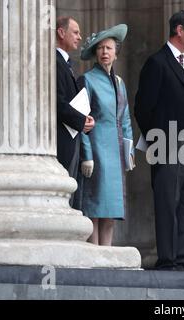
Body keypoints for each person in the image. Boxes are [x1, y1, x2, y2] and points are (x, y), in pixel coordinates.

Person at [134, 10, 184, 271]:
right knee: (168, 204)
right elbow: (143, 108)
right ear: (180, 30)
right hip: (167, 145)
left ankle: (181, 260)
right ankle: (167, 261)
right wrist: (159, 142)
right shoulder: (157, 63)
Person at [77, 24, 135, 246]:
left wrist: (128, 152)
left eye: (109, 48)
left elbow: (126, 119)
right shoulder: (87, 79)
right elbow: (82, 119)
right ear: (95, 52)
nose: (104, 52)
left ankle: (107, 253)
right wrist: (87, 155)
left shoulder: (120, 83)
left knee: (111, 207)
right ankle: (93, 255)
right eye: (100, 48)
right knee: (94, 206)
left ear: (116, 52)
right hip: (97, 148)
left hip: (116, 152)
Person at [56, 16, 95, 207]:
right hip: (62, 138)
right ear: (61, 33)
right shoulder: (54, 62)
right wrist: (81, 120)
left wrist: (85, 120)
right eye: (76, 32)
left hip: (72, 136)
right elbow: (58, 101)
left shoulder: (68, 64)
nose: (80, 37)